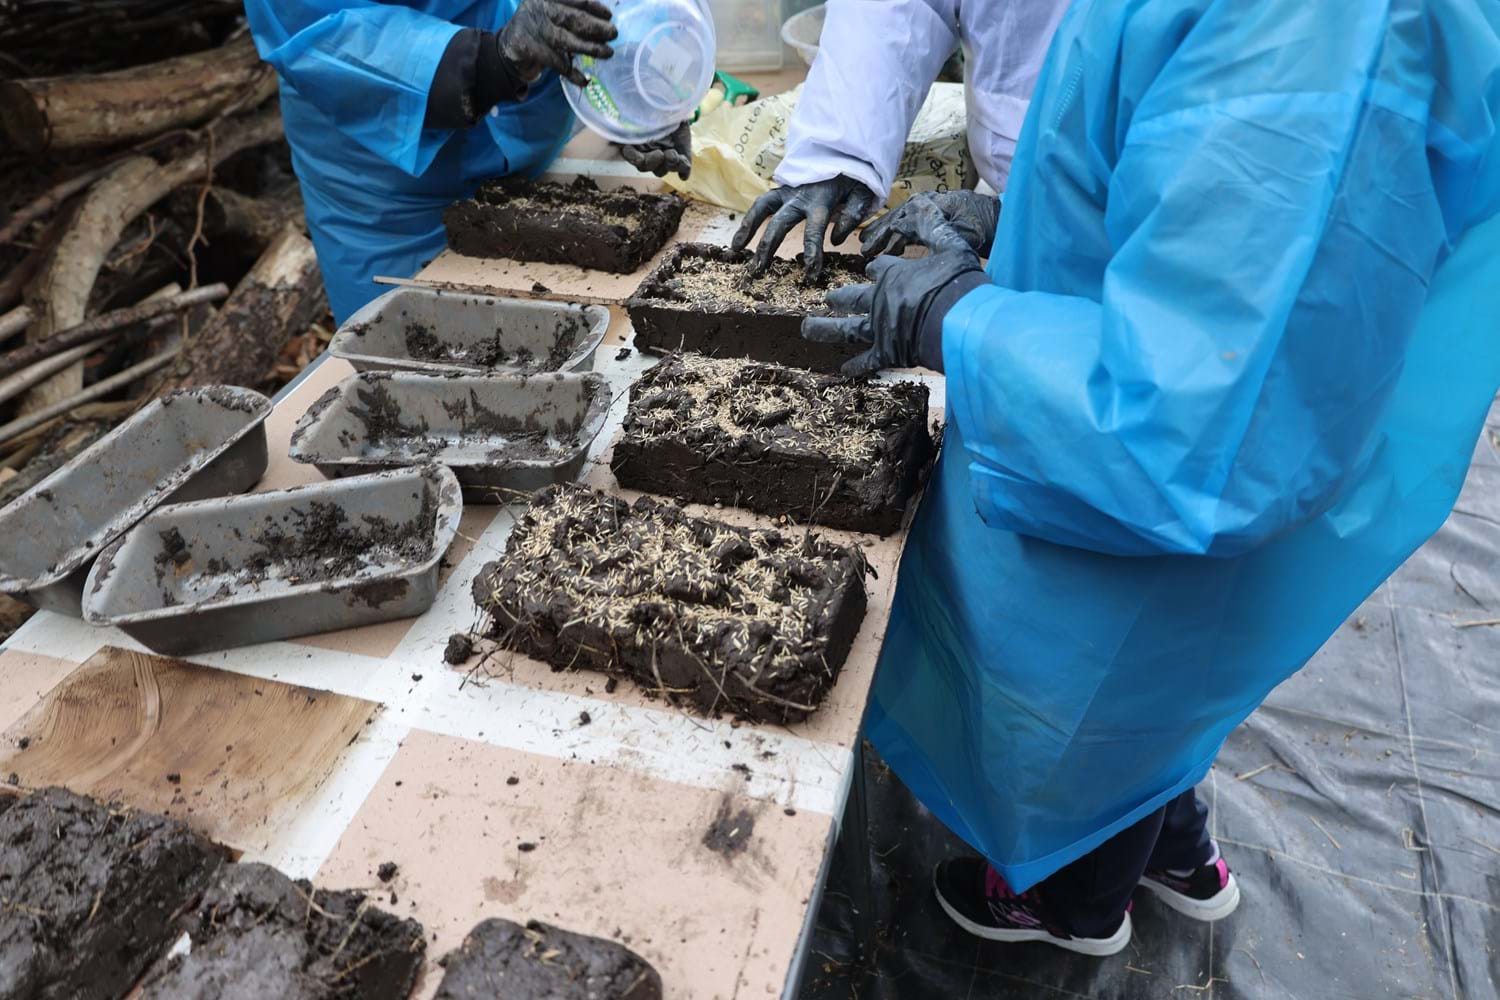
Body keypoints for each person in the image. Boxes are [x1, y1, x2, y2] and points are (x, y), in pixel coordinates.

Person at [790, 0, 1499, 955]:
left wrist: (957, 319)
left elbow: (1201, 427)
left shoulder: (1316, 31)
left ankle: (1073, 906)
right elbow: (1189, 203)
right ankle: (1175, 845)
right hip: (1112, 440)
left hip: (1138, 482)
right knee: (1154, 711)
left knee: (1104, 698)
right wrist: (1015, 223)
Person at [244, 0, 694, 323]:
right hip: (392, 203)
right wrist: (490, 61)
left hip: (531, 143)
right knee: (416, 380)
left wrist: (638, 71)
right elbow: (312, 21)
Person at [730, 0, 1069, 279]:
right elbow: (901, 8)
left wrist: (1016, 215)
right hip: (1012, 181)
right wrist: (840, 151)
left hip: (1108, 232)